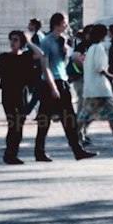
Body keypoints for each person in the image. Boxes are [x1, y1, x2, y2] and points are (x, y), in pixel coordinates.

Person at [35, 12, 96, 162]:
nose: (67, 26)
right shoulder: (47, 41)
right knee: (45, 120)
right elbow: (45, 66)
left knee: (69, 118)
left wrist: (65, 50)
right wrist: (52, 87)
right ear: (57, 24)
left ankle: (77, 149)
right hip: (51, 83)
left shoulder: (63, 41)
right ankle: (40, 151)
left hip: (62, 81)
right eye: (65, 23)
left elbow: (62, 63)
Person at [0, 29, 49, 165]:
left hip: (22, 95)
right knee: (13, 124)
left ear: (21, 42)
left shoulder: (26, 57)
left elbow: (40, 54)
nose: (12, 42)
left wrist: (29, 42)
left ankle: (12, 153)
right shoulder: (4, 58)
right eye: (11, 39)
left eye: (16, 40)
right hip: (8, 94)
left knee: (19, 125)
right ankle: (9, 154)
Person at [75, 24, 113, 150]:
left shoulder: (90, 49)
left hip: (90, 87)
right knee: (110, 114)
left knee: (85, 115)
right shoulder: (99, 48)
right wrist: (111, 75)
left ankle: (75, 138)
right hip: (100, 87)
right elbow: (99, 68)